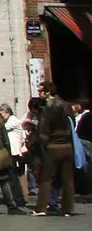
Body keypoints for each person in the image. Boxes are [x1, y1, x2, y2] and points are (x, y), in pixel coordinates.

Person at [34, 84, 77, 216]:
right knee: (68, 179)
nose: (39, 93)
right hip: (67, 146)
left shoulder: (47, 108)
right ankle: (68, 209)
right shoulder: (66, 105)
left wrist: (44, 143)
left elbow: (42, 130)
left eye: (41, 91)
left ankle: (41, 208)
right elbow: (72, 123)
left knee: (46, 179)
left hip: (53, 146)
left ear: (47, 93)